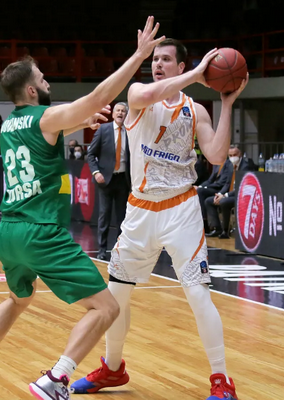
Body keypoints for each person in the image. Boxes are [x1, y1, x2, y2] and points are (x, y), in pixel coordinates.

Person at [0, 17, 164, 400]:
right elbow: (97, 97)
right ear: (32, 89)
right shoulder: (45, 117)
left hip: (9, 231)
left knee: (18, 299)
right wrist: (138, 57)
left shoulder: (9, 126)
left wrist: (79, 121)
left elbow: (45, 136)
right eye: (43, 79)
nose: (48, 82)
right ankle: (56, 378)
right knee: (106, 309)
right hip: (41, 231)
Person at [71, 39, 247, 400]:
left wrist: (227, 103)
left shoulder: (195, 111)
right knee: (116, 297)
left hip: (181, 210)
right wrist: (198, 75)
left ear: (181, 66)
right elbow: (150, 93)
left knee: (198, 294)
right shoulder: (138, 95)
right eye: (155, 59)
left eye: (166, 59)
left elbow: (216, 155)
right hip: (140, 210)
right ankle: (113, 368)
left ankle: (221, 380)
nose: (158, 64)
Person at [87, 102, 131, 260]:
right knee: (104, 215)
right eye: (118, 110)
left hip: (123, 179)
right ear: (113, 114)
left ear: (126, 115)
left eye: (123, 111)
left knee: (122, 217)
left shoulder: (131, 131)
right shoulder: (103, 130)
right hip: (105, 179)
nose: (120, 113)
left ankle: (119, 250)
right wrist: (96, 172)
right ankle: (101, 249)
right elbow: (91, 154)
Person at [205, 145, 254, 239]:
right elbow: (227, 184)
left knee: (224, 202)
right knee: (209, 201)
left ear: (240, 154)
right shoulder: (231, 166)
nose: (232, 157)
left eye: (234, 155)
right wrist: (220, 194)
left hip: (242, 195)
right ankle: (217, 228)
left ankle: (225, 231)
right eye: (230, 155)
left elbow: (241, 187)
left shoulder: (245, 167)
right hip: (230, 194)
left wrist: (225, 195)